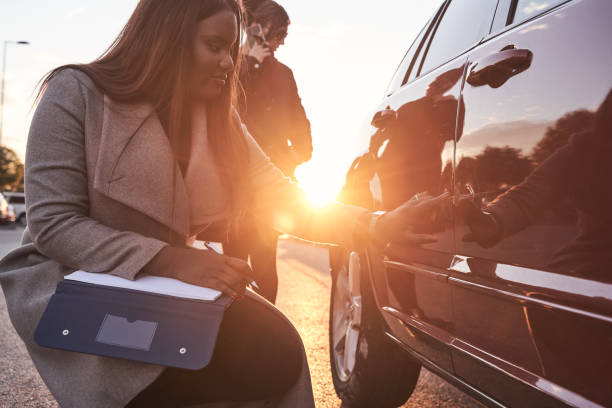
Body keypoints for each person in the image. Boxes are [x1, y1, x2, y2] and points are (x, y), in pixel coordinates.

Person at [0, 1, 442, 407]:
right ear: (167, 38)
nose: (229, 63)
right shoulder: (74, 92)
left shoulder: (217, 116)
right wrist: (170, 261)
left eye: (231, 48)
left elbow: (279, 194)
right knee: (167, 377)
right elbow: (54, 224)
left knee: (274, 349)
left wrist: (376, 226)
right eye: (215, 46)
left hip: (163, 291)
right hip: (76, 280)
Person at [223, 0, 312, 303]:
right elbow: (224, 110)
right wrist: (249, 64)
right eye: (279, 33)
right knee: (232, 258)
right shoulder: (228, 68)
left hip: (269, 185)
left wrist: (289, 160)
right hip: (232, 183)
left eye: (283, 35)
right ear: (255, 29)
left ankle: (263, 333)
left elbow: (301, 130)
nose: (282, 41)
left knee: (264, 262)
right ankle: (228, 328)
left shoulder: (283, 74)